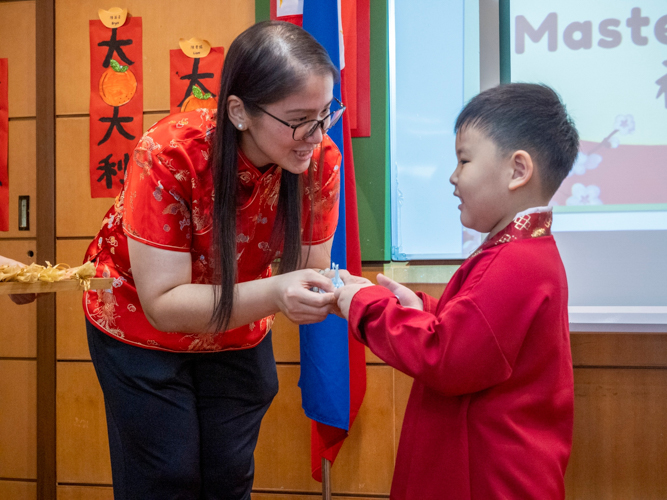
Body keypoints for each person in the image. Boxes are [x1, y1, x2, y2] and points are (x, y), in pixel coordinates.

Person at [83, 21, 345, 500]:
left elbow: (306, 271)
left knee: (228, 473)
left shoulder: (320, 159)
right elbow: (163, 303)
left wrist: (350, 295)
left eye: (326, 113)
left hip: (237, 326)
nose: (315, 134)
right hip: (141, 324)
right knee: (166, 476)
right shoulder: (170, 153)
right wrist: (277, 294)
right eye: (298, 119)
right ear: (239, 112)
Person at [335, 83, 579, 500]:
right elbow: (480, 331)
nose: (452, 176)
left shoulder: (517, 262)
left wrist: (364, 304)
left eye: (463, 160)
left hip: (485, 478)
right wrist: (421, 307)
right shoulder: (521, 251)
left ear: (518, 171)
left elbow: (446, 357)